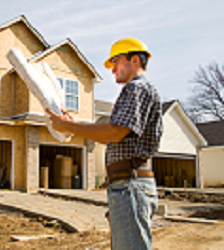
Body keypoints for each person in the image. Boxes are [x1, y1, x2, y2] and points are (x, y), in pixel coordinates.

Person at [46, 37, 163, 250]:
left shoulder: (137, 88)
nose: (112, 70)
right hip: (128, 184)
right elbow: (115, 130)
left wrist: (69, 127)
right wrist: (75, 124)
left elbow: (116, 132)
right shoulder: (137, 90)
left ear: (135, 60)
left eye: (116, 62)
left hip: (130, 184)